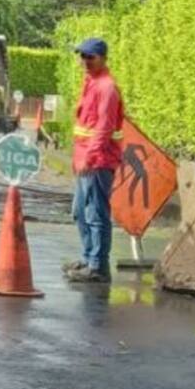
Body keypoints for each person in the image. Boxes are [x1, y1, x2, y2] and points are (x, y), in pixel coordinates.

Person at [64, 38, 125, 284]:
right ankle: (89, 258)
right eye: (82, 56)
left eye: (90, 57)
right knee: (80, 212)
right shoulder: (91, 83)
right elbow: (85, 126)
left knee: (96, 213)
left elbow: (104, 127)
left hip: (98, 161)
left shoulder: (106, 87)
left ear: (102, 58)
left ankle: (98, 266)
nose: (85, 61)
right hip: (86, 160)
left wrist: (89, 157)